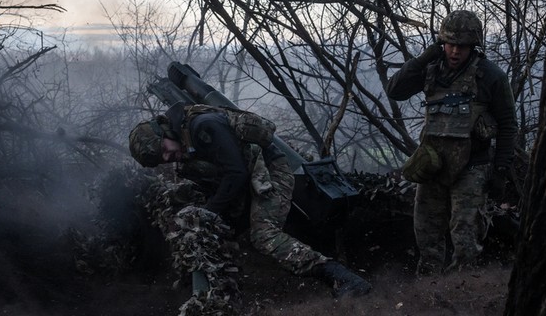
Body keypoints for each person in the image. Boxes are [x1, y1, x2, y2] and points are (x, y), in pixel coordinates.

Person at [128, 102, 371, 302]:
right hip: (250, 174)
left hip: (271, 169)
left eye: (166, 151)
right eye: (164, 159)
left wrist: (209, 212)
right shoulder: (185, 134)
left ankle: (342, 277)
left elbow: (236, 173)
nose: (170, 158)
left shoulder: (203, 127)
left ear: (165, 132)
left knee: (263, 234)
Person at [385, 10, 518, 275]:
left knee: (466, 236)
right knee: (426, 232)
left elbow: (507, 125)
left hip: (472, 166)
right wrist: (424, 58)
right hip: (433, 164)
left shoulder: (491, 76)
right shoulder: (431, 69)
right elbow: (395, 90)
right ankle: (429, 294)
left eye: (462, 46)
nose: (455, 51)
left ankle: (463, 291)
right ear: (442, 43)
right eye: (450, 44)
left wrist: (501, 170)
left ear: (473, 46)